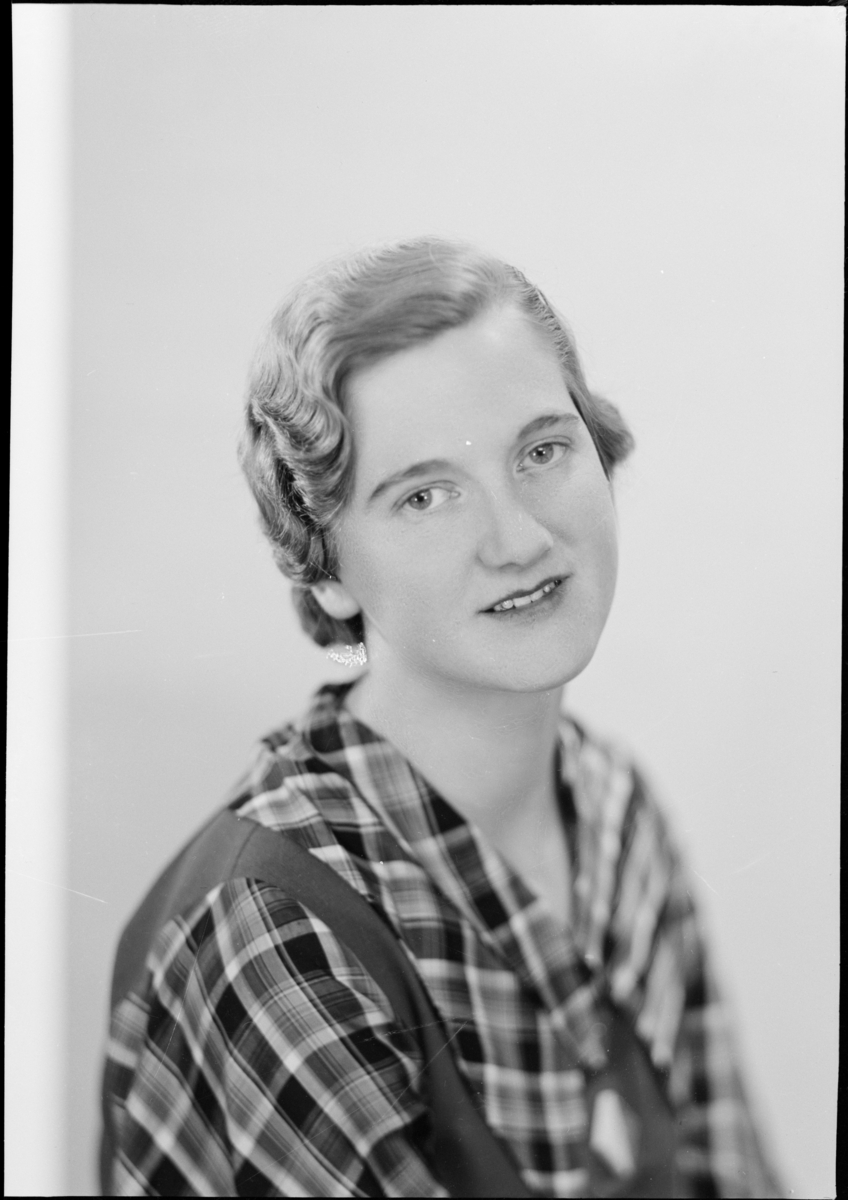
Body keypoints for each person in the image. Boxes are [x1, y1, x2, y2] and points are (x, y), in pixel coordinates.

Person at [102, 237, 782, 1197]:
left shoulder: (615, 809)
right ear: (327, 570)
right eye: (424, 496)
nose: (519, 539)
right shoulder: (277, 927)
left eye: (541, 451)